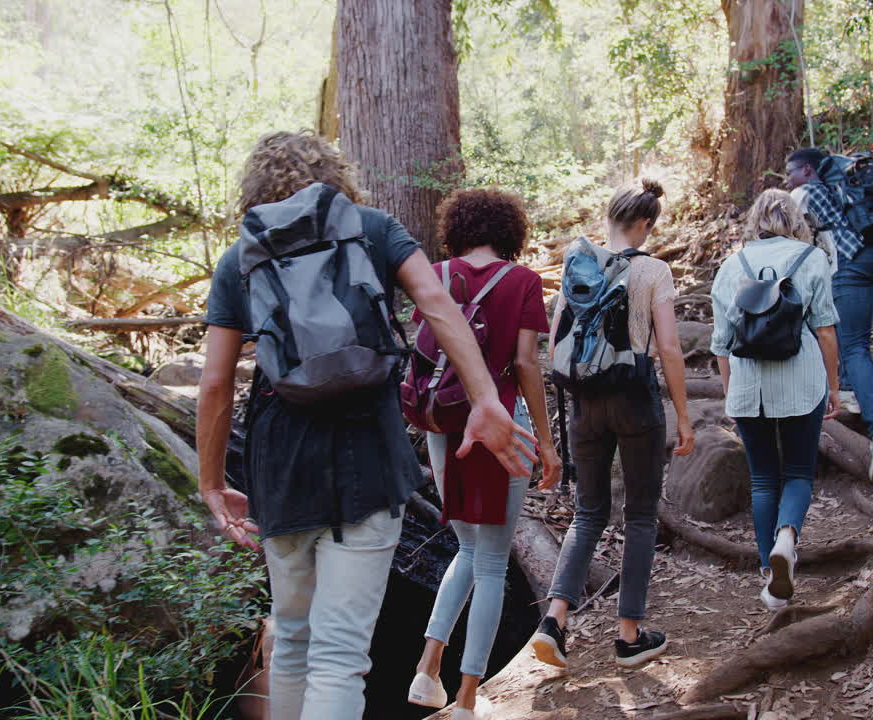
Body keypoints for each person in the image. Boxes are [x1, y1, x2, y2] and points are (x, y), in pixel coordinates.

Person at [196, 131, 536, 720]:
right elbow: (437, 304)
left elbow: (216, 383)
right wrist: (485, 397)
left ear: (254, 190)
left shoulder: (241, 256)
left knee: (294, 642)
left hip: (282, 465)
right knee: (340, 655)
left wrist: (209, 480)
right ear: (337, 177)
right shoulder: (374, 229)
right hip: (368, 458)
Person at [405, 189, 561, 719]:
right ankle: (468, 698)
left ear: (457, 227)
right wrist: (544, 439)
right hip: (501, 421)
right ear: (509, 231)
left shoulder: (436, 273)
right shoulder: (522, 281)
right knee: (491, 562)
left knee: (467, 550)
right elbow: (526, 364)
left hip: (443, 419)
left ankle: (428, 669)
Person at [529, 178, 695, 670]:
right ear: (645, 224)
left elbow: (557, 340)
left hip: (583, 403)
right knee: (640, 514)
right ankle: (628, 635)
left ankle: (554, 621)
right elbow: (667, 347)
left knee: (587, 513)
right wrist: (683, 414)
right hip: (634, 399)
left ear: (610, 219)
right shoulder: (654, 271)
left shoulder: (580, 263)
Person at [710, 188, 842, 609]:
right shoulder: (813, 258)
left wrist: (732, 395)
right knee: (800, 472)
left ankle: (770, 578)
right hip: (801, 382)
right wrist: (834, 386)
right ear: (795, 219)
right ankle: (788, 537)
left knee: (763, 478)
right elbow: (825, 330)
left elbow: (721, 344)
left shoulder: (732, 265)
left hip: (749, 385)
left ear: (755, 220)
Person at [785, 148, 873, 483]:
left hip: (850, 265)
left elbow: (785, 239)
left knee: (854, 347)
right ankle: (850, 393)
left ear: (807, 170)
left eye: (790, 171)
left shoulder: (803, 192)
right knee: (840, 330)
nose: (787, 179)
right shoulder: (842, 187)